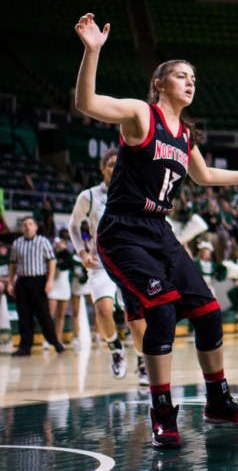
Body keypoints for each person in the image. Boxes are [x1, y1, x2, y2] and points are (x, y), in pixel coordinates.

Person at [74, 12, 238, 449]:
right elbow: (86, 104)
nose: (191, 82)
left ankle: (218, 400)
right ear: (160, 84)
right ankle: (162, 412)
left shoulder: (185, 135)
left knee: (208, 313)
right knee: (163, 312)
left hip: (159, 231)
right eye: (182, 76)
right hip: (123, 231)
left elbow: (205, 178)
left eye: (193, 78)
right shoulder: (139, 114)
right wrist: (92, 52)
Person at [68, 147, 150, 384]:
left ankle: (143, 361)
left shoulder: (134, 193)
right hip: (100, 262)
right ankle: (115, 349)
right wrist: (82, 252)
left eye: (118, 164)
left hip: (129, 263)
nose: (114, 168)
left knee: (136, 320)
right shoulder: (89, 196)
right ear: (102, 168)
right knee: (103, 310)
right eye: (110, 164)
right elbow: (74, 226)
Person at [9, 217, 64, 355]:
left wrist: (50, 281)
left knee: (44, 314)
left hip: (38, 281)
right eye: (25, 225)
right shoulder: (17, 243)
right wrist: (10, 282)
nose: (27, 227)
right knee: (24, 315)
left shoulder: (43, 242)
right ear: (22, 228)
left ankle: (55, 342)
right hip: (22, 282)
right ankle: (25, 347)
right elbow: (13, 265)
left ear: (35, 227)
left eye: (30, 224)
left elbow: (52, 262)